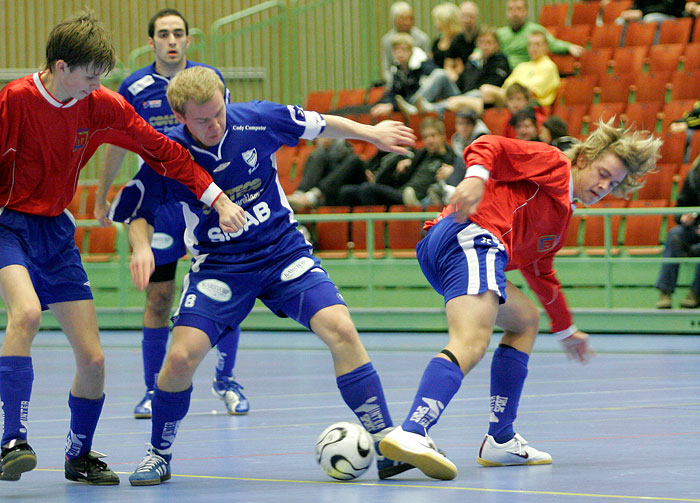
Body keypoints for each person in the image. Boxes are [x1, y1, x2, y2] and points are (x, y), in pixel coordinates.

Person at [111, 66, 417, 485]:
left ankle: (385, 443)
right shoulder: (169, 154)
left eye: (218, 112)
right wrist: (142, 247)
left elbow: (322, 124)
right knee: (180, 358)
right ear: (181, 117)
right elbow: (138, 212)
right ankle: (158, 453)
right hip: (220, 266)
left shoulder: (257, 118)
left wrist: (373, 134)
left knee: (341, 329)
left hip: (281, 251)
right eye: (202, 120)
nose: (214, 124)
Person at [0, 11, 243, 485]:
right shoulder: (15, 100)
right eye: (89, 76)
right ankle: (12, 441)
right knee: (26, 313)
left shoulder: (99, 104)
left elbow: (162, 151)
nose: (95, 86)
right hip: (7, 225)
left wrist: (215, 195)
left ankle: (79, 455)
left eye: (100, 78)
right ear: (61, 67)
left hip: (55, 231)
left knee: (93, 359)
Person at [378, 120, 660, 480]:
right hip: (473, 234)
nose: (604, 185)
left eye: (614, 183)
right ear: (585, 159)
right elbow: (490, 145)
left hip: (451, 246)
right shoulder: (556, 164)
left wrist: (566, 328)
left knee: (525, 319)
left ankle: (500, 438)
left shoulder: (561, 218)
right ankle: (413, 430)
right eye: (603, 173)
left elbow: (541, 274)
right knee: (471, 342)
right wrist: (476, 178)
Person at [94, 8, 248, 419]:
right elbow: (116, 143)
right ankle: (152, 390)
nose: (172, 41)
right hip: (161, 204)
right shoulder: (135, 86)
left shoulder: (208, 79)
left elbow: (227, 129)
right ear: (152, 43)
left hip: (205, 197)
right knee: (159, 298)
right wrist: (104, 193)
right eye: (164, 34)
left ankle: (226, 381)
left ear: (188, 40)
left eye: (178, 33)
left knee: (225, 292)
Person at [338, 117, 455, 207]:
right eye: (425, 137)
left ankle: (380, 231)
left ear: (442, 136)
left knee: (367, 189)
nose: (429, 140)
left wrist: (452, 172)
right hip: (402, 192)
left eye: (433, 136)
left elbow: (460, 178)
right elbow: (400, 177)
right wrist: (406, 165)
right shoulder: (421, 154)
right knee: (346, 192)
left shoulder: (451, 158)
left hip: (419, 197)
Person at [396, 27, 511, 117]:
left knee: (476, 93)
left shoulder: (500, 61)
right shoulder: (474, 61)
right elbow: (462, 81)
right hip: (462, 93)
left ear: (496, 44)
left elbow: (490, 86)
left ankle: (430, 108)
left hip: (480, 99)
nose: (485, 46)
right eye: (482, 42)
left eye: (489, 42)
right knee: (440, 74)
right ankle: (412, 106)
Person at [655, 157, 700, 309]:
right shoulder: (694, 175)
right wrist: (683, 217)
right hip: (694, 227)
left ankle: (695, 293)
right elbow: (680, 207)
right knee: (675, 234)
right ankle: (665, 292)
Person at [481, 30, 561, 109]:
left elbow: (529, 92)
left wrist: (512, 91)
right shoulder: (522, 66)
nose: (533, 48)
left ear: (546, 47)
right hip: (512, 99)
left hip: (531, 104)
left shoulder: (548, 66)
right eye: (530, 44)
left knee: (486, 90)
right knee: (473, 101)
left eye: (537, 45)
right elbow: (507, 85)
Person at [497, 0, 583, 71]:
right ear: (507, 13)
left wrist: (568, 47)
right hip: (501, 71)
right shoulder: (499, 33)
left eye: (518, 9)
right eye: (510, 9)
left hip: (526, 72)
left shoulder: (535, 30)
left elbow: (552, 44)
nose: (514, 13)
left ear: (525, 12)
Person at [371, 33, 438, 120]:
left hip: (427, 106)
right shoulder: (397, 69)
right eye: (396, 50)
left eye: (403, 49)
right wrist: (383, 104)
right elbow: (393, 93)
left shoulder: (424, 66)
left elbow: (417, 94)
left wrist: (392, 106)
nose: (399, 53)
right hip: (410, 105)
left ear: (410, 51)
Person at [381, 2, 432, 83]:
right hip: (396, 80)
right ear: (394, 20)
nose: (407, 22)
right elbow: (386, 68)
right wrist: (393, 83)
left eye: (410, 18)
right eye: (402, 18)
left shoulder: (422, 38)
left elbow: (428, 65)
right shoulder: (387, 40)